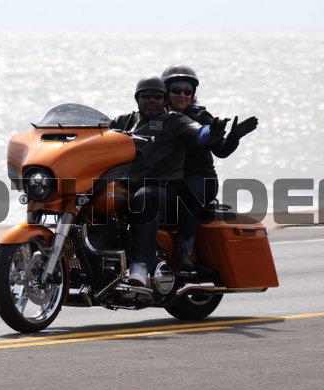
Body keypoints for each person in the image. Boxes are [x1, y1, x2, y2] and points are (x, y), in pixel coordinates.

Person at [110, 76, 228, 287]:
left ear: (164, 100)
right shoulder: (125, 121)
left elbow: (199, 132)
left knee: (145, 197)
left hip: (164, 190)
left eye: (157, 96)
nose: (152, 100)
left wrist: (213, 130)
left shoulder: (175, 121)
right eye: (146, 96)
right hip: (127, 187)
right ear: (137, 98)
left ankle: (141, 265)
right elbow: (96, 131)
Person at [161, 64, 259, 271]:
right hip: (167, 178)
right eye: (176, 90)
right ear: (166, 92)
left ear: (193, 94)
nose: (182, 95)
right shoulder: (155, 117)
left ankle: (184, 254)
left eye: (187, 91)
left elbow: (221, 151)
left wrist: (234, 137)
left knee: (187, 198)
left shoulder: (202, 117)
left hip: (198, 178)